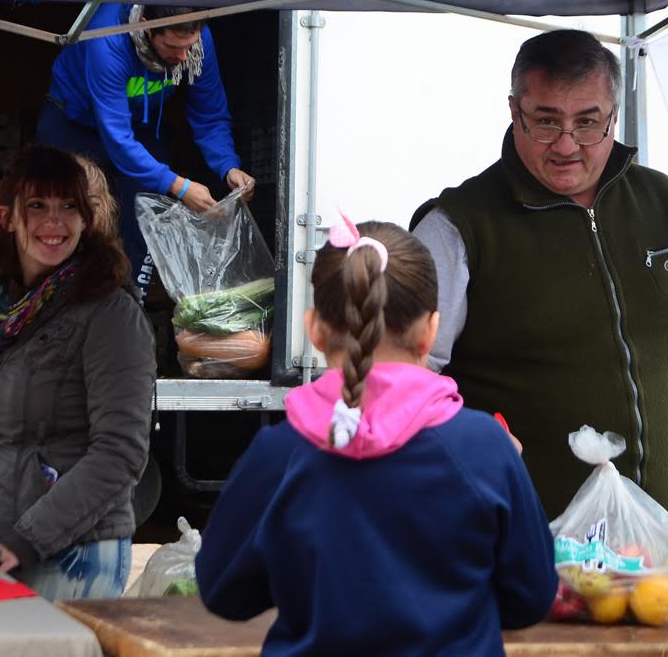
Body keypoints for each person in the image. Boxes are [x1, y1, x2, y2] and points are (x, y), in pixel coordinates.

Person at [410, 29, 668, 526]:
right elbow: (407, 375)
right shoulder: (456, 226)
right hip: (522, 548)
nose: (566, 145)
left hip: (666, 548)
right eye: (545, 122)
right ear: (514, 112)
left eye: (588, 123)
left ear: (614, 117)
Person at [197, 217, 557, 655]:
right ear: (430, 331)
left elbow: (224, 592)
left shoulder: (279, 453)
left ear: (313, 330)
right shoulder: (484, 448)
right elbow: (531, 597)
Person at [0, 146, 155, 600]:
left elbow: (120, 454)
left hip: (68, 557)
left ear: (86, 221)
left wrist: (23, 542)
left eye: (70, 207)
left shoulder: (109, 312)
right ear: (7, 218)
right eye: (38, 206)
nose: (56, 221)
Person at [36, 3, 256, 304]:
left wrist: (228, 166)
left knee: (145, 212)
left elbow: (209, 114)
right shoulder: (108, 37)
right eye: (172, 46)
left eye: (188, 46)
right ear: (146, 26)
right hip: (74, 121)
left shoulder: (198, 44)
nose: (182, 57)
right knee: (62, 211)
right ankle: (53, 304)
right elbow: (117, 140)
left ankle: (129, 306)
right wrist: (179, 186)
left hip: (141, 123)